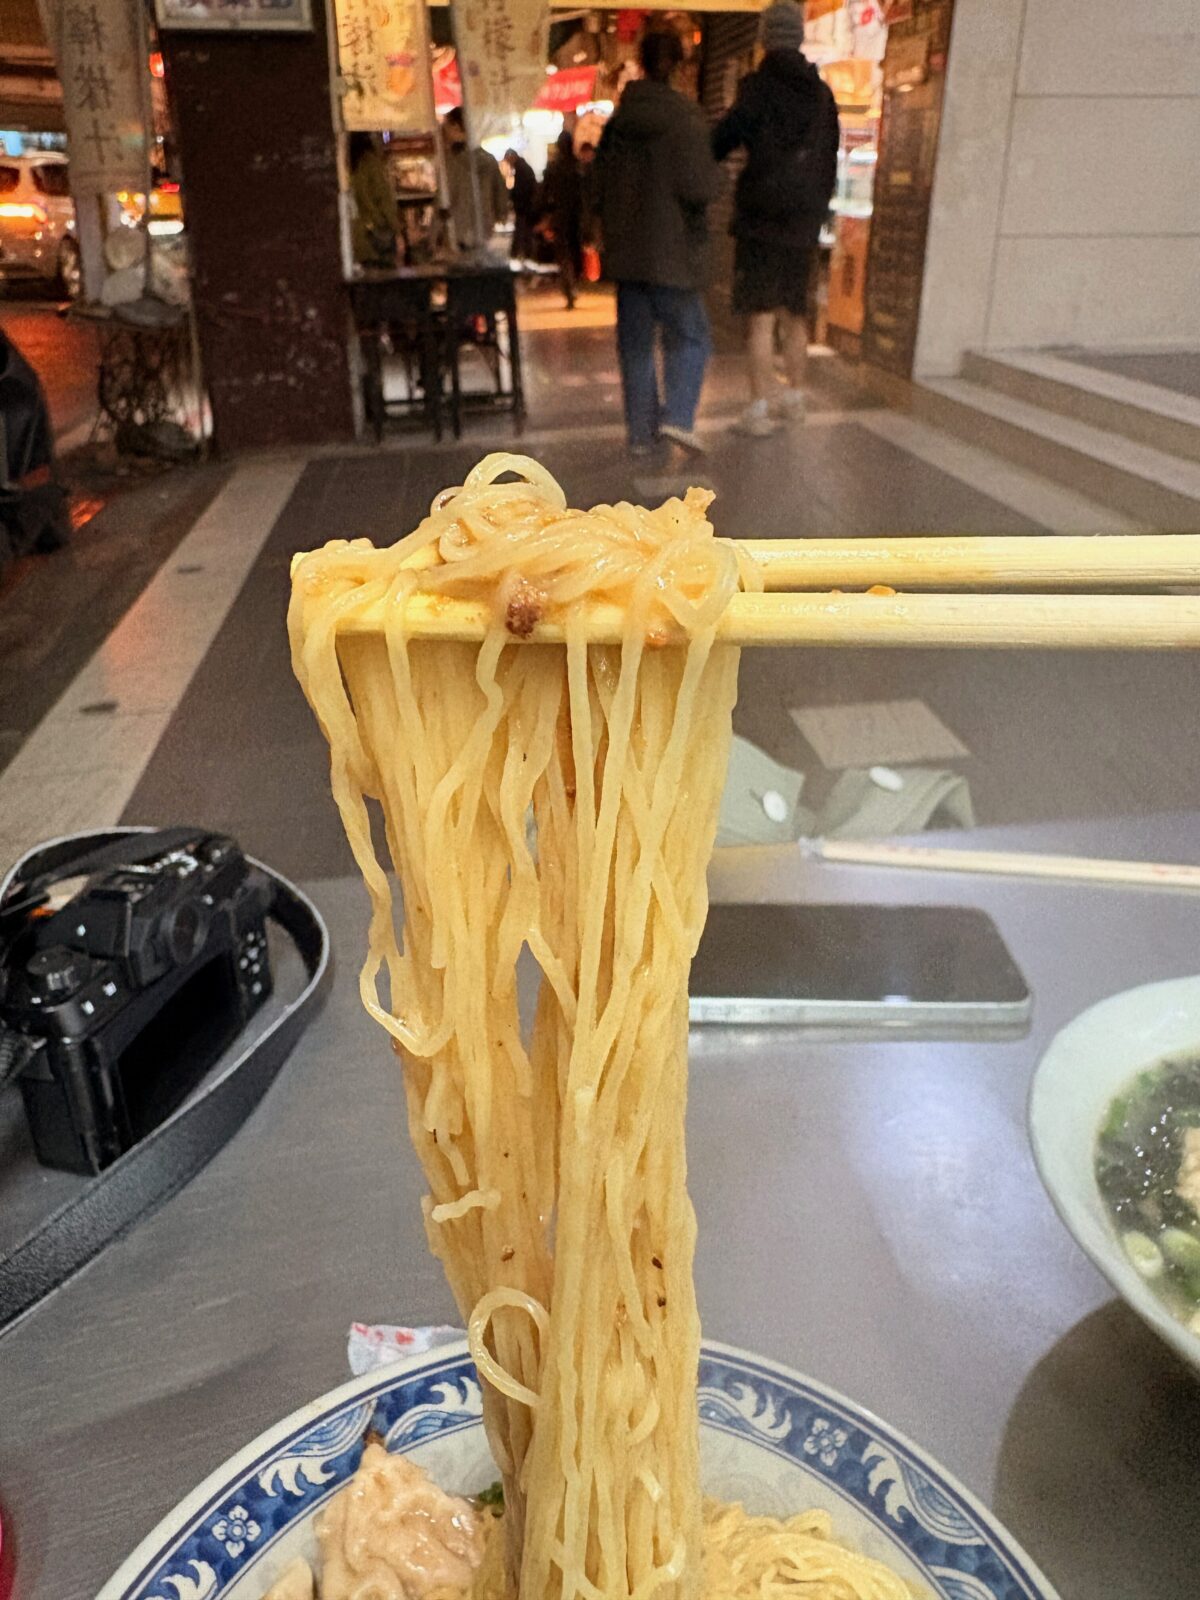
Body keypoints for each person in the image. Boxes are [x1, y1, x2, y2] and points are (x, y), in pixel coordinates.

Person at [713, 0, 839, 435]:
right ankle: (797, 397)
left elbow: (723, 138)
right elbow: (831, 160)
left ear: (766, 37)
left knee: (761, 317)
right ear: (800, 37)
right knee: (795, 313)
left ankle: (761, 406)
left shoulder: (758, 87)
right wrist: (818, 210)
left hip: (761, 221)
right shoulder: (822, 94)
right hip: (804, 223)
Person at [594, 29, 719, 457]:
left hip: (628, 256)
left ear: (642, 64)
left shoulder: (619, 122)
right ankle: (678, 418)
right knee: (691, 336)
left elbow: (598, 185)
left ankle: (641, 436)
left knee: (635, 346)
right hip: (675, 254)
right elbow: (699, 186)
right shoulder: (685, 119)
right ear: (682, 67)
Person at [441, 107, 509, 252]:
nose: (444, 133)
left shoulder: (451, 162)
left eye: (446, 128)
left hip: (457, 231)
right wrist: (500, 213)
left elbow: (443, 199)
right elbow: (501, 193)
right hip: (484, 227)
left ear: (456, 126)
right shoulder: (489, 160)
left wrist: (434, 235)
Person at [539, 130, 584, 309]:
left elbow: (544, 194)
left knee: (563, 254)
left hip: (559, 216)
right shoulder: (576, 167)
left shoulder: (553, 168)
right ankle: (573, 285)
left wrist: (544, 213)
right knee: (574, 252)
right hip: (576, 216)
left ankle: (569, 286)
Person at [349, 132, 399, 269]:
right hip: (378, 231)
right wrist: (396, 227)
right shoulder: (370, 163)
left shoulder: (349, 166)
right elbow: (383, 198)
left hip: (358, 233)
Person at [506, 147, 538, 262]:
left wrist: (513, 199)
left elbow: (521, 189)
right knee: (524, 231)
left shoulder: (521, 169)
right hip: (526, 205)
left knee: (522, 230)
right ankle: (524, 253)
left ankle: (520, 253)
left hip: (524, 206)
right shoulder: (523, 168)